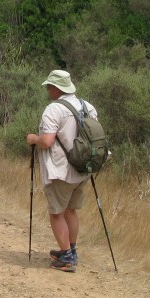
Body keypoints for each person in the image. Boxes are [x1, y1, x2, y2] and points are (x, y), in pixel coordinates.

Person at [25, 69, 97, 272]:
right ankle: (71, 250)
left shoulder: (54, 109)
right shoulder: (87, 107)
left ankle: (66, 257)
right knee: (71, 210)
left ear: (56, 88)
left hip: (60, 170)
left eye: (49, 86)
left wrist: (33, 139)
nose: (48, 90)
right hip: (83, 169)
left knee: (57, 213)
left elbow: (47, 141)